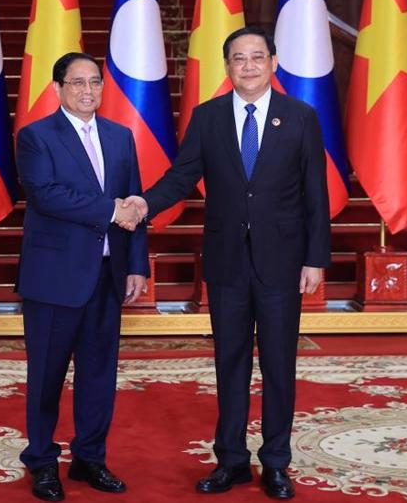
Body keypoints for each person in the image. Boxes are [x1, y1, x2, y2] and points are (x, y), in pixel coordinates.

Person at [122, 27, 331, 500]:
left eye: (258, 57)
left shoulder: (300, 117)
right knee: (229, 362)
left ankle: (276, 462)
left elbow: (315, 194)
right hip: (227, 263)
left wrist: (316, 258)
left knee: (279, 365)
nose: (250, 66)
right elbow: (181, 177)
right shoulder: (208, 117)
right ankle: (232, 461)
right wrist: (142, 205)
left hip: (282, 262)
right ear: (228, 67)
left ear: (274, 63)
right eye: (240, 58)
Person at [16, 52, 148, 502]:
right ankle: (42, 462)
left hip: (108, 275)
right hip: (54, 278)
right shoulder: (36, 137)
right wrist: (112, 209)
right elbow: (47, 195)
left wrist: (136, 264)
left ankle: (90, 458)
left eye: (94, 82)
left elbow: (135, 204)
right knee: (47, 378)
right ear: (58, 89)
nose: (87, 91)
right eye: (77, 83)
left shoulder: (120, 136)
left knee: (98, 375)